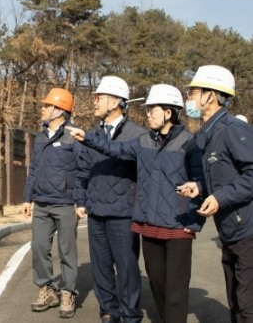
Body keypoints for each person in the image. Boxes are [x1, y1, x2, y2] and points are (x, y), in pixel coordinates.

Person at [68, 84, 205, 323]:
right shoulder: (143, 141)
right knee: (158, 285)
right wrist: (87, 138)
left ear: (169, 113)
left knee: (176, 290)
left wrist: (195, 220)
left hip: (179, 227)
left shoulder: (189, 143)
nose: (148, 114)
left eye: (153, 110)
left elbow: (202, 181)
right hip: (149, 226)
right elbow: (115, 148)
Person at [176, 65, 253, 323]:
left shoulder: (231, 129)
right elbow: (225, 177)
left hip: (248, 233)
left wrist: (220, 198)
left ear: (210, 96)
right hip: (230, 231)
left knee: (247, 306)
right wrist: (200, 187)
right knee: (236, 301)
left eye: (193, 93)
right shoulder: (206, 136)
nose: (189, 100)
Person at [73, 76, 146, 323]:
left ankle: (130, 315)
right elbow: (82, 170)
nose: (94, 102)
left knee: (126, 268)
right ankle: (108, 312)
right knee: (100, 267)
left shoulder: (138, 134)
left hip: (124, 212)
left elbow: (134, 163)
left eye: (99, 98)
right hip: (95, 211)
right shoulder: (90, 135)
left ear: (115, 102)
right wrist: (80, 201)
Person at [22, 87, 81, 319]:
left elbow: (82, 171)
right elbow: (33, 170)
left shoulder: (73, 136)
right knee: (38, 248)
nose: (43, 109)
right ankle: (46, 290)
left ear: (59, 110)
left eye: (47, 106)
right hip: (42, 203)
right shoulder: (39, 137)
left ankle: (68, 292)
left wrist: (80, 200)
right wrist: (28, 198)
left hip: (66, 203)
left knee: (67, 251)